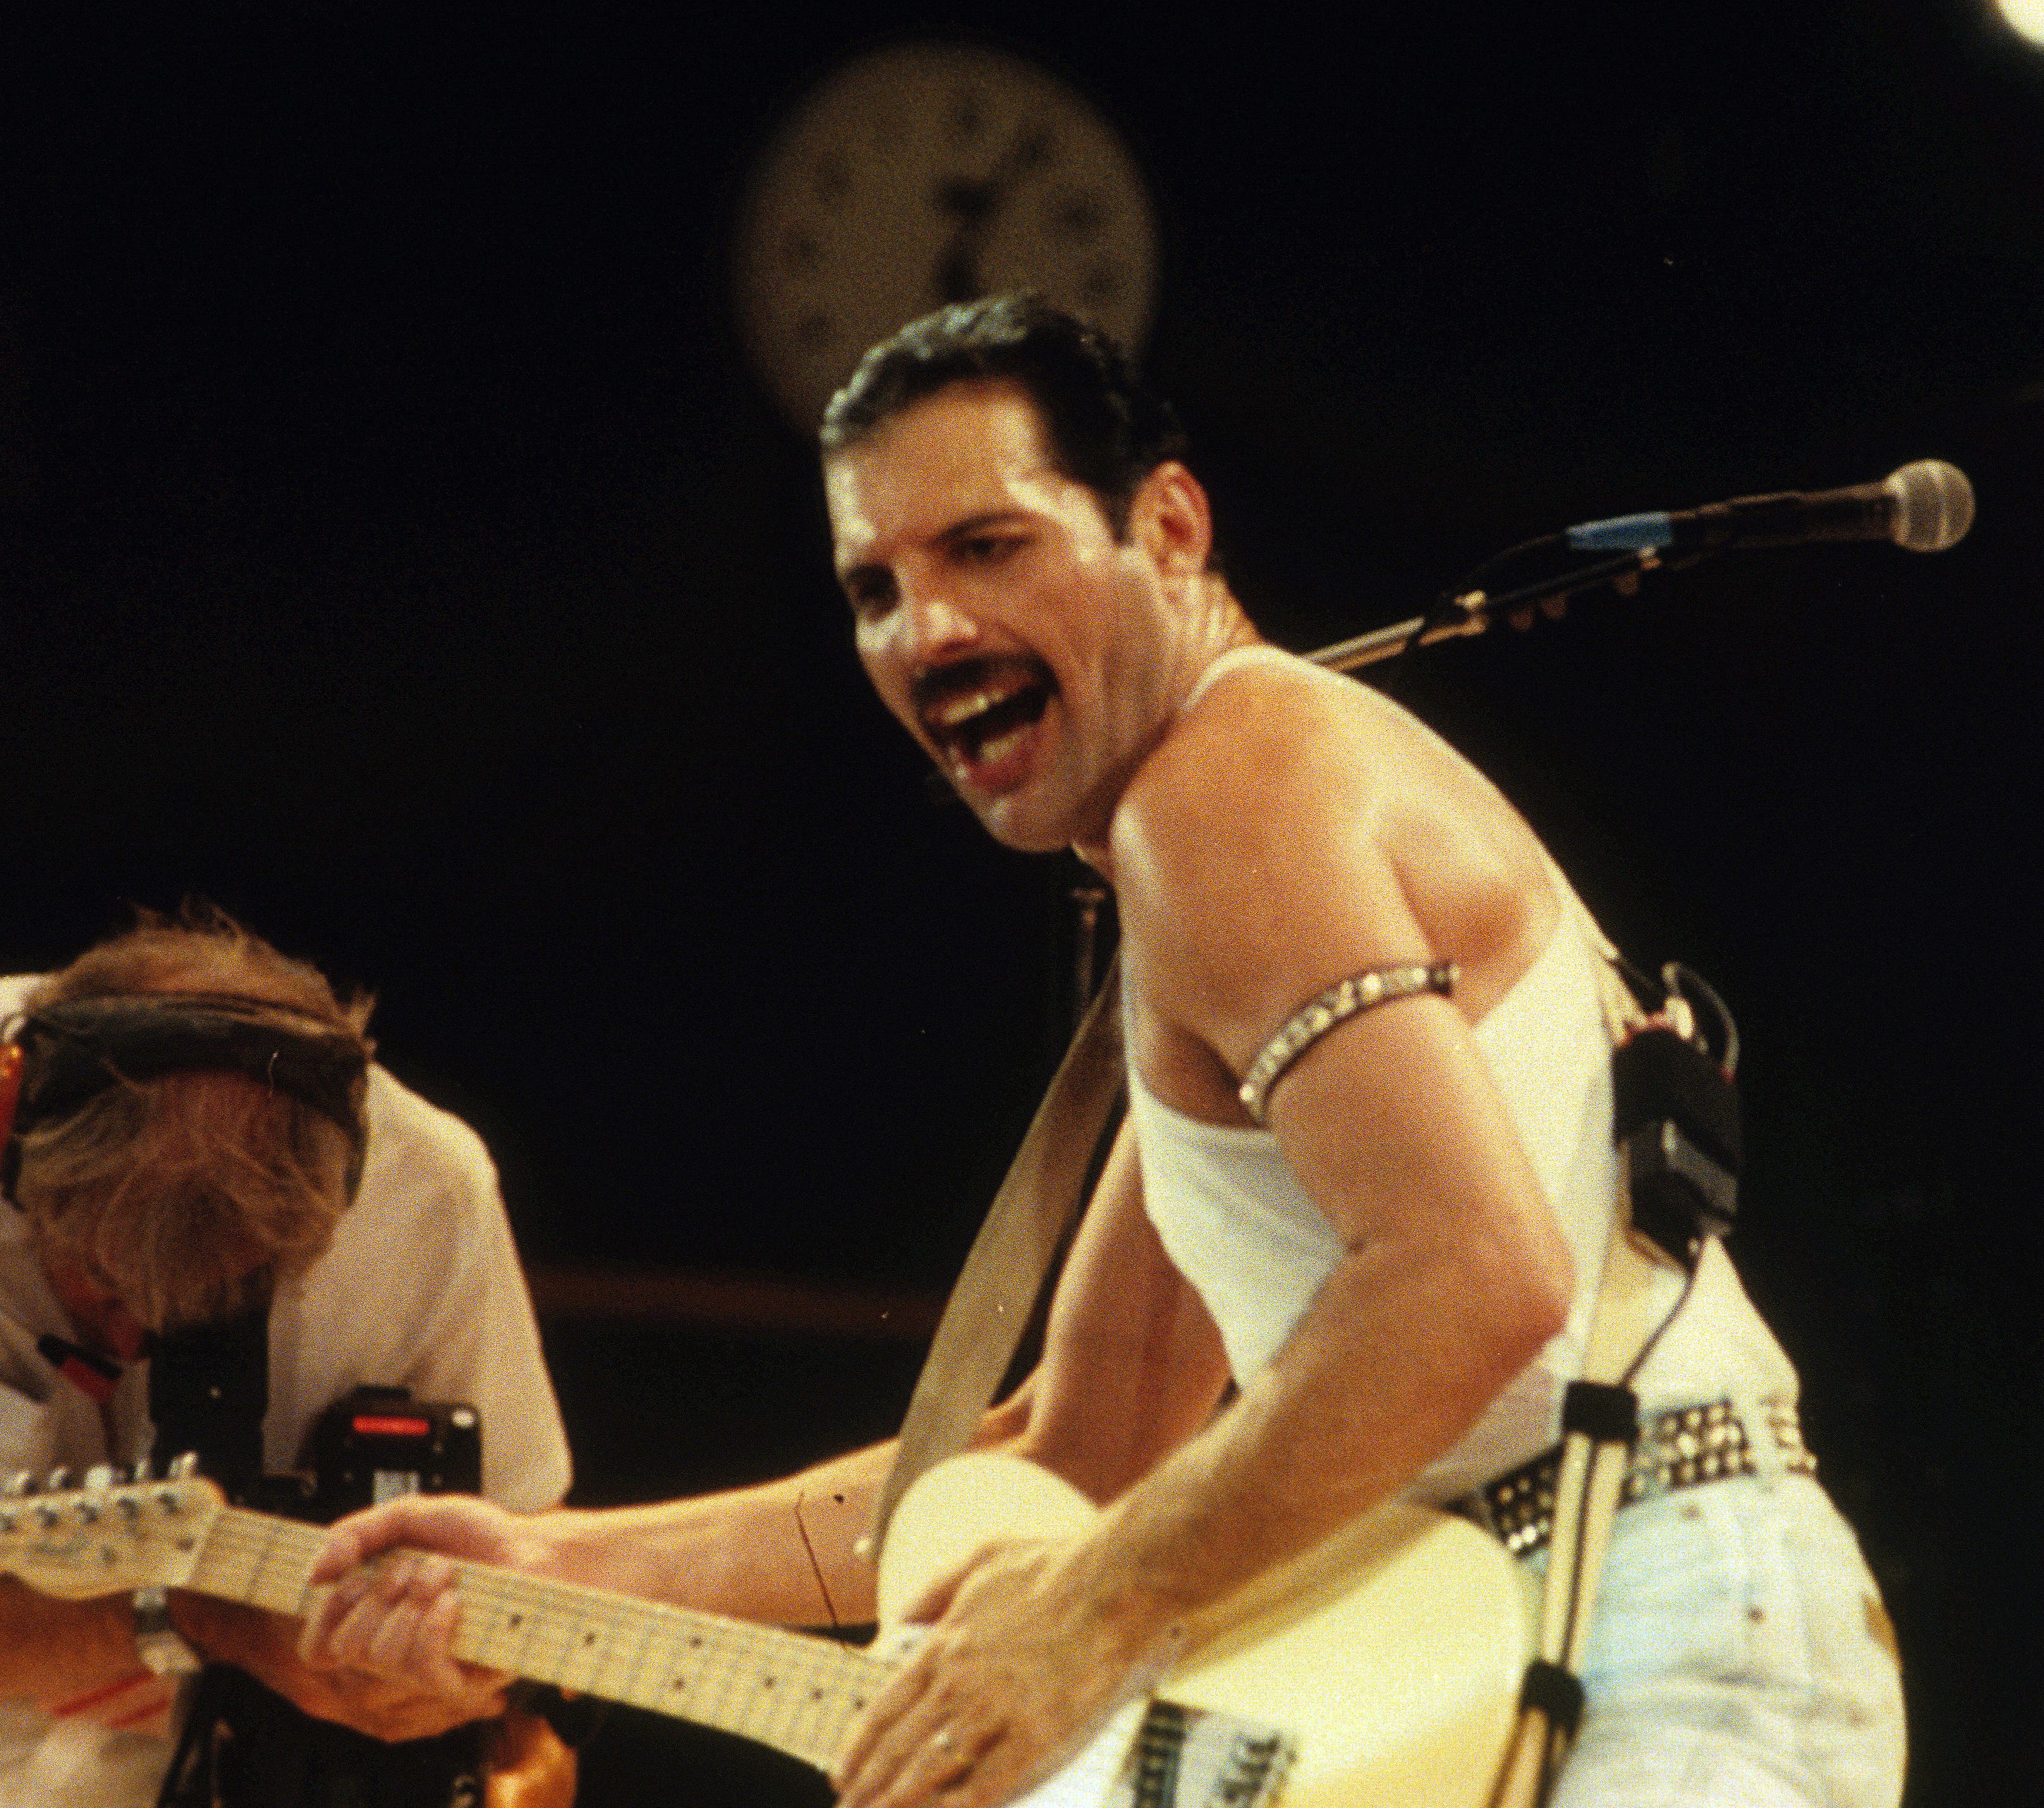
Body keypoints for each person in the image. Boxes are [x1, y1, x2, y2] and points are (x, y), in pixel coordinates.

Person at [303, 296, 1905, 1808]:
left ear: (1172, 530)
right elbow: (1075, 1446)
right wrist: (548, 1569)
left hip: (1640, 1650)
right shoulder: (1223, 860)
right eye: (875, 588)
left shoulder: (1223, 790)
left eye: (989, 546)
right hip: (1585, 1633)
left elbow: (1470, 1277)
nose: (930, 628)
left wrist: (1083, 1621)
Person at [0, 909, 572, 1808]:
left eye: (214, 1302)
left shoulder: (429, 1192)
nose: (134, 1344)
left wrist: (460, 1692)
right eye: (102, 1287)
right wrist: (197, 1616)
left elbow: (525, 1579)